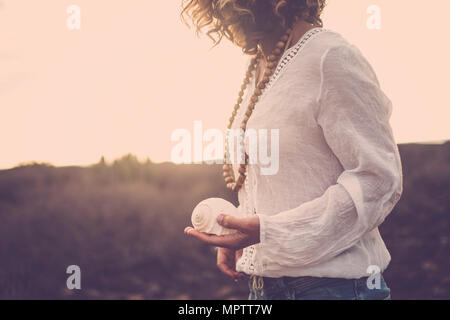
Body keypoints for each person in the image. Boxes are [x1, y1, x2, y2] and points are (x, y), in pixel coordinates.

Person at [182, 0, 403, 300]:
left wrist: (270, 233)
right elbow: (286, 183)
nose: (221, 15)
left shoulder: (330, 57)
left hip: (334, 289)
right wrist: (241, 237)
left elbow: (378, 180)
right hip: (262, 289)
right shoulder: (262, 66)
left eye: (226, 5)